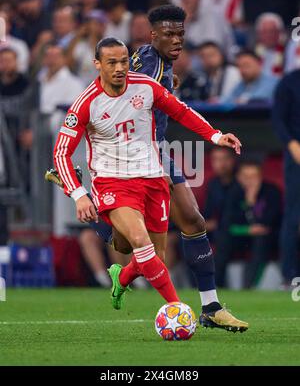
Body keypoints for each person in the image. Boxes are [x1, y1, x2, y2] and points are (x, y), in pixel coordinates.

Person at [53, 37, 246, 322]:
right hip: (113, 181)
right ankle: (180, 311)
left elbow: (180, 111)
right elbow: (60, 153)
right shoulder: (86, 103)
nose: (119, 68)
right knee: (141, 244)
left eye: (123, 61)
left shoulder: (145, 86)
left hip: (153, 178)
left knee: (152, 258)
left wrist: (215, 135)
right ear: (97, 65)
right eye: (111, 63)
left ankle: (122, 277)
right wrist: (79, 194)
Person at [215, 161, 282, 288]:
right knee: (223, 240)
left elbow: (269, 223)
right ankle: (216, 286)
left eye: (254, 177)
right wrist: (247, 229)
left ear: (261, 177)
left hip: (265, 236)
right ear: (239, 177)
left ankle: (248, 286)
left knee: (261, 241)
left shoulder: (272, 192)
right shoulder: (232, 192)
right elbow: (227, 224)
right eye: (246, 177)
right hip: (241, 235)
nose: (250, 181)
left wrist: (251, 204)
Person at [272, 70, 300, 286]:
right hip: (297, 153)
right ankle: (289, 275)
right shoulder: (289, 82)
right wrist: (291, 144)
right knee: (294, 215)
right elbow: (278, 119)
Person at [204, 146, 237, 242]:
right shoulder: (213, 184)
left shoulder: (241, 182)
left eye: (225, 158)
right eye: (216, 159)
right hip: (218, 230)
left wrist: (217, 224)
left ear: (233, 160)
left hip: (236, 231)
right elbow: (208, 212)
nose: (221, 164)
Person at [254, 13, 286, 77]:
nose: (269, 35)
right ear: (258, 34)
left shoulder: (287, 52)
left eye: (272, 31)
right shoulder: (252, 54)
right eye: (264, 32)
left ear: (279, 33)